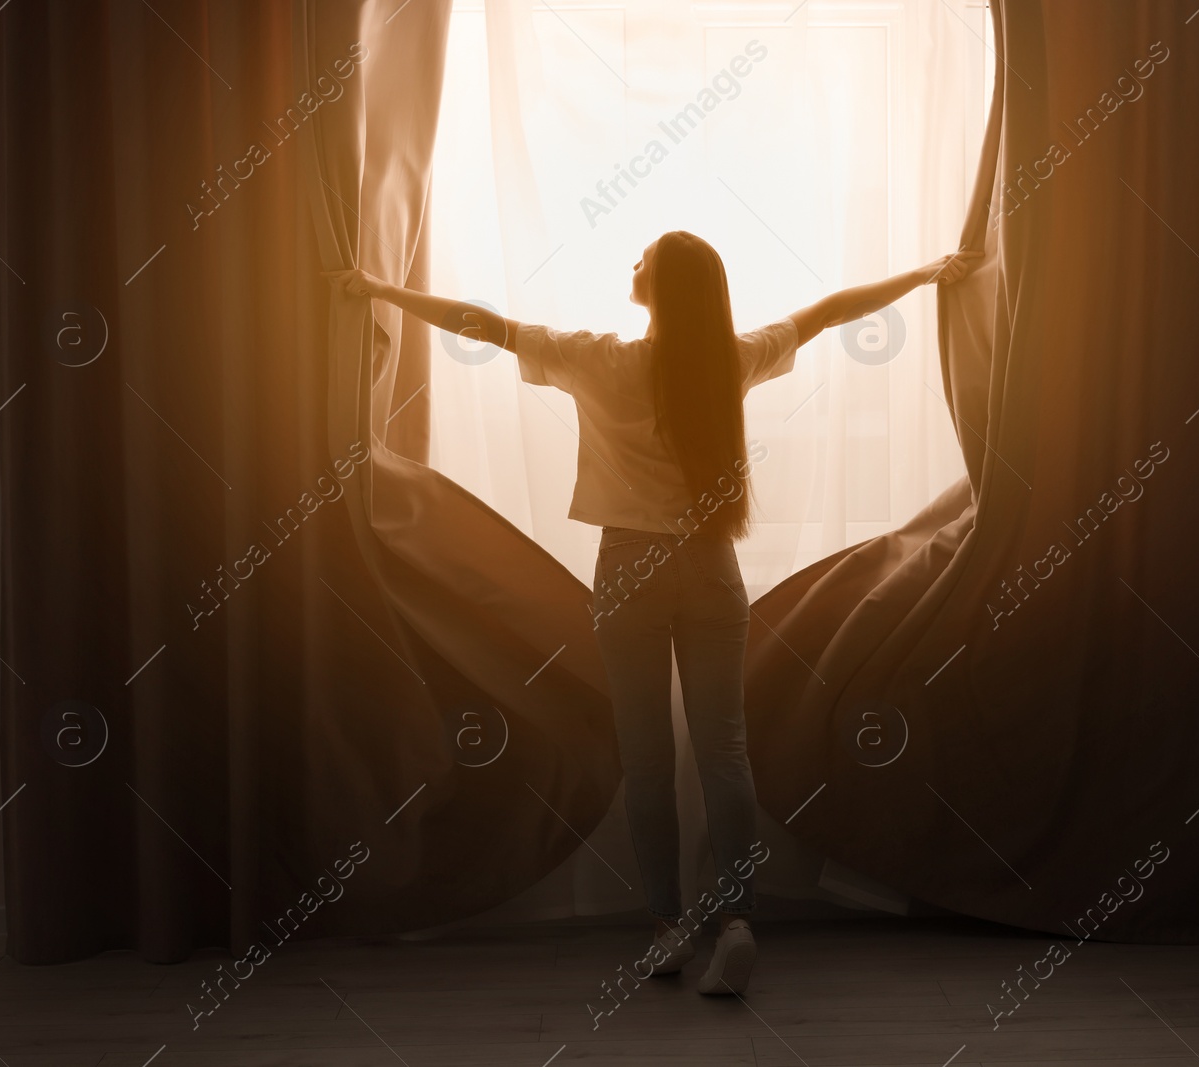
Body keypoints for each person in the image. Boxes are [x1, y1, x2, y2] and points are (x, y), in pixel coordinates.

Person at [326, 234, 979, 994]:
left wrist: (381, 290)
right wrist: (928, 273)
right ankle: (734, 921)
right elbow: (833, 311)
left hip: (629, 568)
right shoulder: (730, 357)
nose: (629, 266)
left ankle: (668, 924)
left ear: (662, 285)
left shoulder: (599, 359)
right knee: (724, 754)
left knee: (647, 761)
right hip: (711, 567)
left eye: (641, 260)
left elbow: (483, 325)